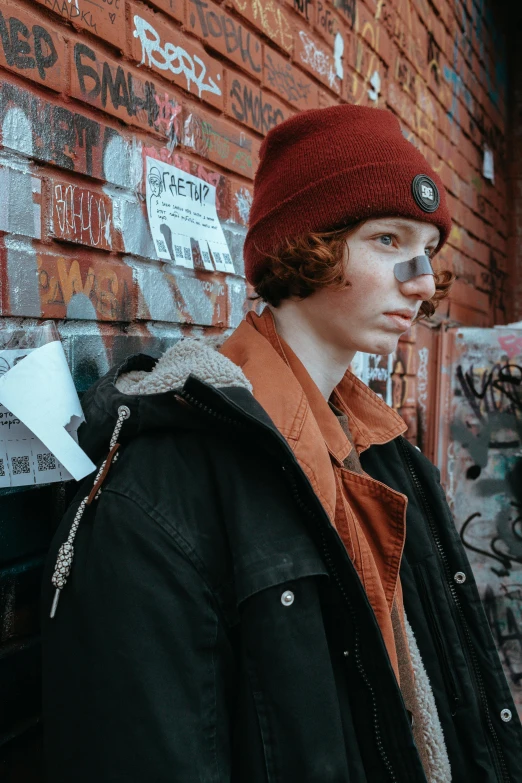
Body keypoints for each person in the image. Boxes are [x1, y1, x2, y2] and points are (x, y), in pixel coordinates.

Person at [42, 105, 522, 782]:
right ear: (305, 245)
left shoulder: (390, 458)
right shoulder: (160, 493)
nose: (421, 280)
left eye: (428, 251)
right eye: (388, 240)